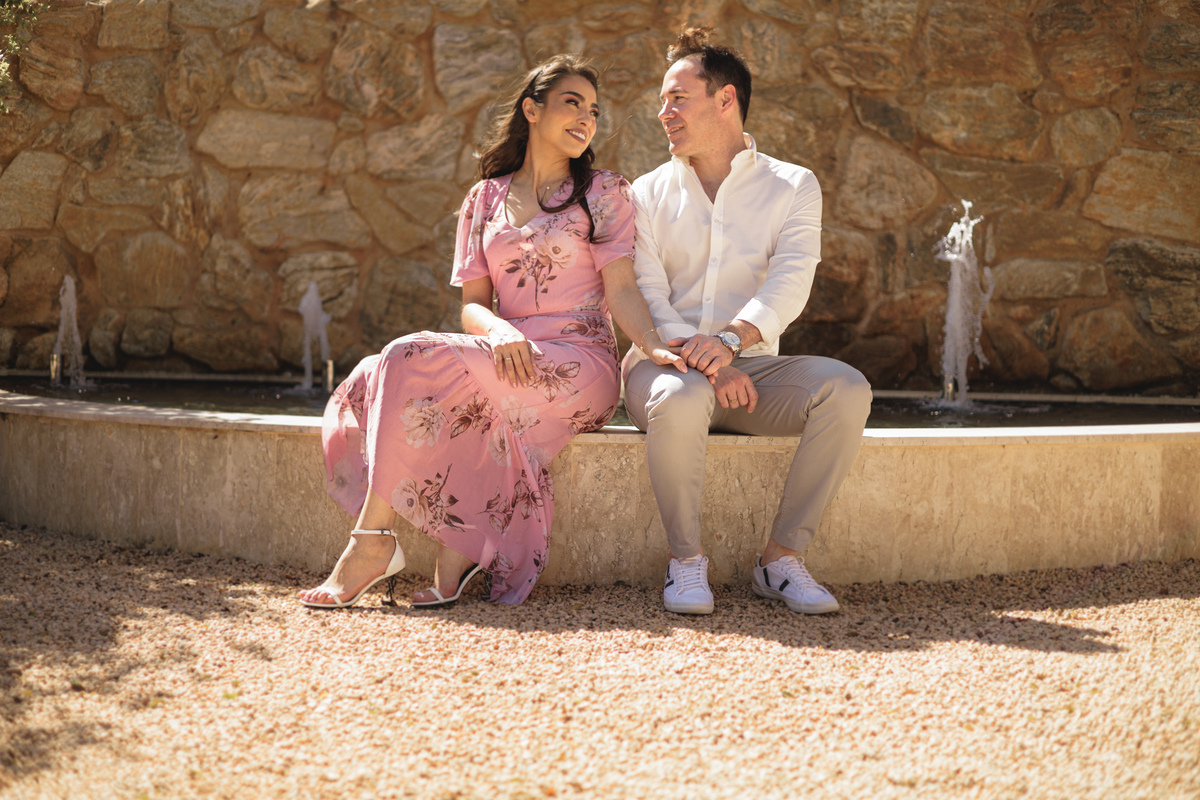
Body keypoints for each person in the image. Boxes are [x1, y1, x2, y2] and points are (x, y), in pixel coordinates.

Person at [300, 55, 685, 609]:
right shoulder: (484, 199)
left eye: (594, 110)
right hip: (502, 350)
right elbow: (474, 308)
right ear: (532, 109)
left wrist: (651, 346)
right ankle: (461, 546)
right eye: (572, 103)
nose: (587, 119)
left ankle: (372, 543)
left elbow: (622, 290)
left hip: (576, 363)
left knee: (406, 355)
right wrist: (502, 331)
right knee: (376, 369)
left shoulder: (603, 191)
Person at [623, 28, 873, 616]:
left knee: (846, 389)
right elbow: (648, 296)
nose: (664, 113)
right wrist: (705, 360)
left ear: (726, 99)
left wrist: (733, 343)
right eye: (663, 101)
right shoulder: (645, 193)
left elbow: (791, 281)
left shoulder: (793, 185)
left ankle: (780, 561)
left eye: (677, 98)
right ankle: (685, 564)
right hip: (661, 369)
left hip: (751, 372)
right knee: (682, 397)